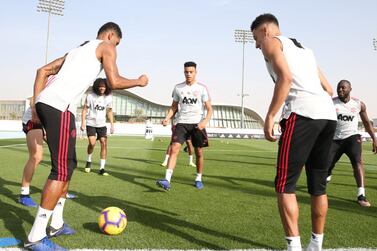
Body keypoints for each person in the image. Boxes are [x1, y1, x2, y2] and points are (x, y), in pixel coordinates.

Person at [26, 22, 148, 250]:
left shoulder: (77, 50)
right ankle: (35, 236)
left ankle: (56, 223)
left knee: (70, 165)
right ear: (111, 35)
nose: (116, 49)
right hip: (58, 106)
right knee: (60, 170)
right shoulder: (106, 46)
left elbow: (41, 71)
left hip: (55, 106)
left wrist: (35, 106)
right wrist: (139, 82)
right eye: (117, 43)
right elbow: (115, 81)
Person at [251, 14, 337, 251]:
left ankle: (294, 248)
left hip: (302, 115)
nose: (257, 45)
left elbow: (286, 78)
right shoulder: (305, 49)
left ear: (266, 30)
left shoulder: (272, 41)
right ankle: (315, 245)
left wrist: (270, 115)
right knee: (318, 186)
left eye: (256, 37)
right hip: (327, 115)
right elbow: (328, 89)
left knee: (285, 185)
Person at [156, 61, 212, 190]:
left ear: (195, 73)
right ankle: (167, 180)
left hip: (197, 125)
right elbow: (174, 107)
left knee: (198, 152)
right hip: (181, 123)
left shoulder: (202, 88)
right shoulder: (178, 88)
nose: (188, 74)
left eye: (191, 72)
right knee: (174, 148)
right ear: (184, 72)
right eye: (186, 72)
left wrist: (204, 122)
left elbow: (210, 109)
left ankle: (198, 178)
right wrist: (167, 118)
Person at [327, 80, 377, 207]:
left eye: (343, 88)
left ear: (350, 89)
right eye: (338, 88)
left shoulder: (359, 104)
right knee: (327, 164)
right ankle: (328, 173)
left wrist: (374, 139)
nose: (340, 90)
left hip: (352, 137)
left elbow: (367, 123)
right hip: (335, 139)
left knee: (357, 161)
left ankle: (361, 194)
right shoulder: (331, 103)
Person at [19, 97, 76, 208]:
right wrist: (35, 112)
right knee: (36, 156)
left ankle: (61, 191)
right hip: (34, 119)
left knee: (65, 156)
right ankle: (24, 194)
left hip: (50, 120)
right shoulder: (54, 83)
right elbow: (33, 99)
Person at [81, 78, 114, 176]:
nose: (102, 88)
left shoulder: (108, 97)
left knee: (104, 143)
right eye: (100, 86)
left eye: (103, 86)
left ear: (106, 87)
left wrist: (112, 125)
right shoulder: (90, 96)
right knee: (92, 143)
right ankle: (88, 160)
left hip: (102, 125)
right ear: (97, 87)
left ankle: (102, 168)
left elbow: (110, 112)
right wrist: (83, 122)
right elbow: (85, 110)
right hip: (91, 123)